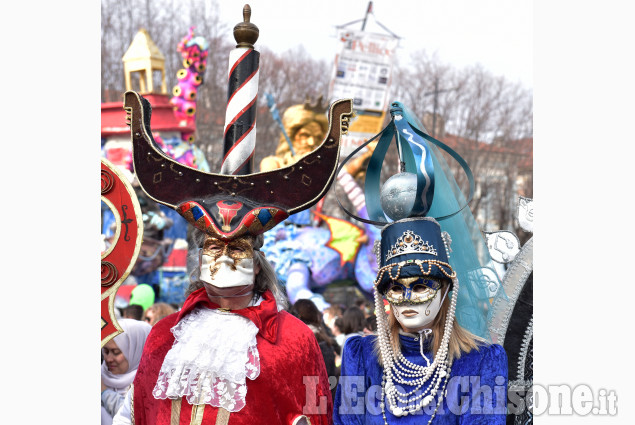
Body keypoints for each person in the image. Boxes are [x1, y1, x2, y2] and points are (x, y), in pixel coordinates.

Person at [111, 89, 353, 424]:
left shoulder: (296, 340)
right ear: (199, 257)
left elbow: (315, 415)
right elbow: (135, 413)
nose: (223, 256)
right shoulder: (164, 334)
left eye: (237, 246)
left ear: (256, 262)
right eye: (213, 246)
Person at [333, 218, 508, 424]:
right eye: (396, 289)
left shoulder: (480, 361)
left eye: (420, 287)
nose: (407, 299)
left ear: (443, 291)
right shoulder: (361, 355)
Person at [101, 318, 152, 425]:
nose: (108, 359)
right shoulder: (102, 375)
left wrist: (105, 393)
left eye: (116, 352)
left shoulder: (151, 386)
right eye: (106, 351)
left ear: (137, 350)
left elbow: (136, 417)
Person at [260, 97, 329, 172]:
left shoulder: (324, 168)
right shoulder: (273, 164)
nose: (312, 142)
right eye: (305, 135)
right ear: (291, 135)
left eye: (317, 137)